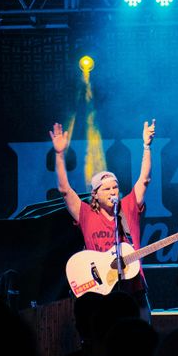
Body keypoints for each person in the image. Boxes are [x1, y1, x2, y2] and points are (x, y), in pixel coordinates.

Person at [50, 119, 155, 314]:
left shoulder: (128, 207)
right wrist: (59, 154)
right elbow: (64, 190)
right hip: (100, 290)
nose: (113, 191)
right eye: (106, 189)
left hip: (133, 289)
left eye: (115, 187)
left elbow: (145, 180)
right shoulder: (86, 214)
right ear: (95, 195)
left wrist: (147, 146)